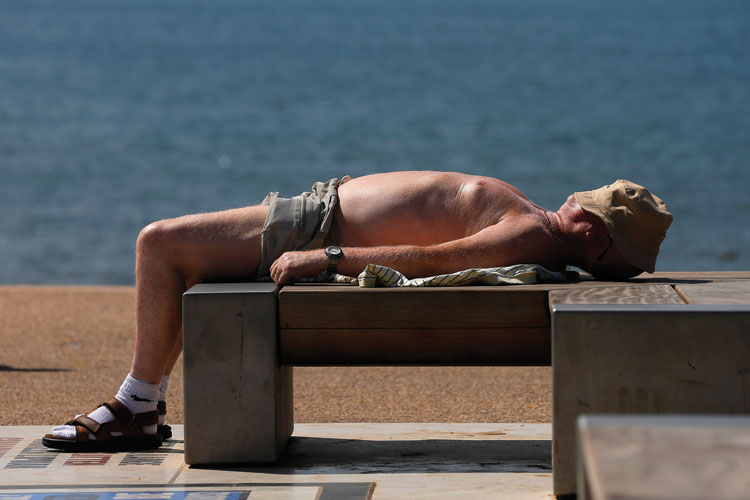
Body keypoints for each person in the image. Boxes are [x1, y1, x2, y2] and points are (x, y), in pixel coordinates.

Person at [42, 170, 672, 451]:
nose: (574, 200)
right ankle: (141, 403)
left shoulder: (532, 235)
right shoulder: (536, 226)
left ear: (594, 238)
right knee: (178, 254)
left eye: (589, 211)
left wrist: (330, 257)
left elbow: (438, 259)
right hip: (315, 218)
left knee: (158, 242)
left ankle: (136, 404)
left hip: (313, 230)